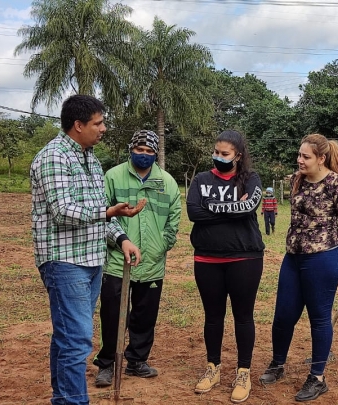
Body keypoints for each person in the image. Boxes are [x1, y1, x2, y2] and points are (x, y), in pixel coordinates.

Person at [30, 95, 144, 405]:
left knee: (67, 336)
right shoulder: (54, 156)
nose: (104, 128)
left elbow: (98, 212)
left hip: (92, 260)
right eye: (98, 123)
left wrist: (121, 238)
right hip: (65, 261)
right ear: (78, 125)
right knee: (77, 339)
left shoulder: (90, 159)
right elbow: (63, 210)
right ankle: (73, 401)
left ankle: (63, 399)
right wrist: (110, 213)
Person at [259, 134, 338, 402]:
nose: (299, 160)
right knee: (283, 315)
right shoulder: (297, 179)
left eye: (305, 156)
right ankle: (277, 364)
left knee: (319, 318)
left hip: (324, 259)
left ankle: (317, 378)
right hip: (293, 257)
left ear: (321, 159)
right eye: (299, 155)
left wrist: (325, 238)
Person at [93, 130, 181, 387]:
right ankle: (107, 363)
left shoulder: (167, 182)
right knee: (112, 315)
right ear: (131, 149)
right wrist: (116, 243)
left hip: (152, 262)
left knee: (145, 315)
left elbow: (174, 218)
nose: (144, 155)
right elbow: (103, 214)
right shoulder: (113, 176)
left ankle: (136, 360)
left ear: (155, 154)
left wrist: (163, 244)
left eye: (149, 151)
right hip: (117, 262)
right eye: (139, 150)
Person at [186, 130, 264, 404]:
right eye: (216, 152)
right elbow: (193, 212)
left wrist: (213, 209)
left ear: (238, 156)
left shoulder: (250, 179)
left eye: (225, 154)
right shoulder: (201, 180)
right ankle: (213, 367)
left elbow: (250, 207)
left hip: (245, 257)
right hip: (207, 258)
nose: (218, 157)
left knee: (243, 316)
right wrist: (232, 208)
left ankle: (243, 372)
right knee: (212, 316)